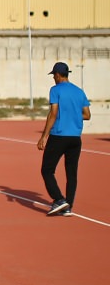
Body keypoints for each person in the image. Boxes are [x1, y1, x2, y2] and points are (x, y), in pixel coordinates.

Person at [38, 62, 91, 216]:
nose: (53, 78)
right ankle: (68, 206)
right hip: (75, 138)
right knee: (71, 173)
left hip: (59, 136)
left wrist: (44, 136)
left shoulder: (55, 90)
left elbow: (53, 113)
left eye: (54, 75)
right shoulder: (79, 91)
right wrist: (73, 115)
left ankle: (59, 199)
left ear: (58, 75)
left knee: (47, 169)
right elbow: (87, 115)